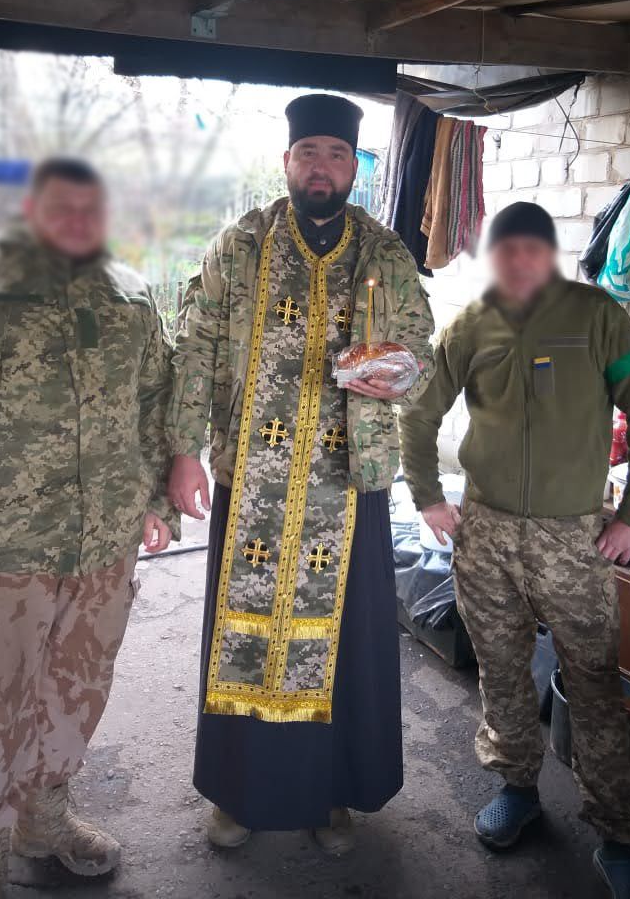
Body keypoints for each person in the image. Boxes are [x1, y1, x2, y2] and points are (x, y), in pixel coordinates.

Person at [0, 158, 175, 899]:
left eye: (91, 206)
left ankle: (44, 817)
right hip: (1, 548)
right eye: (60, 205)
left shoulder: (131, 295)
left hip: (103, 547)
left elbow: (155, 406)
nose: (77, 219)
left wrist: (155, 503)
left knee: (77, 692)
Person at [168, 93, 434, 853]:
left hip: (348, 483)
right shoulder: (241, 244)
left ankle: (332, 798)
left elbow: (420, 342)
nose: (322, 167)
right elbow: (197, 344)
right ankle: (239, 796)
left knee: (342, 645)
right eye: (309, 152)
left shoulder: (385, 251)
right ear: (287, 161)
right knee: (242, 634)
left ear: (355, 166)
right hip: (251, 479)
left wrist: (401, 370)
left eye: (337, 154)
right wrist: (185, 448)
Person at [398, 201, 630, 899]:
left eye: (532, 249)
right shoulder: (471, 322)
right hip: (486, 533)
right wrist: (428, 495)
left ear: (549, 254)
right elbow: (422, 405)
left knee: (592, 682)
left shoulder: (596, 316)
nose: (518, 261)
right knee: (500, 670)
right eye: (505, 250)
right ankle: (517, 787)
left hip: (572, 536)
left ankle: (616, 832)